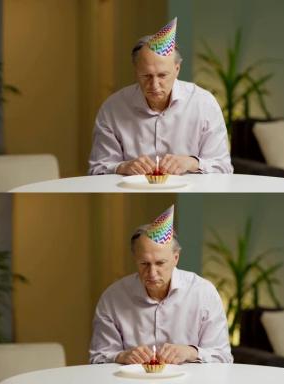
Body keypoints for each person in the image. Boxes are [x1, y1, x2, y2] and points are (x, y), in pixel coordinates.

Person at [89, 205, 233, 364]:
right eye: (144, 263)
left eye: (160, 263)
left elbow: (224, 359)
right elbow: (97, 359)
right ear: (135, 259)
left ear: (176, 258)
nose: (152, 273)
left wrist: (191, 352)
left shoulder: (203, 293)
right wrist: (120, 356)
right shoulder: (113, 297)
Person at [88, 18, 232, 175]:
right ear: (136, 71)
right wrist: (122, 167)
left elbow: (223, 169)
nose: (154, 85)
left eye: (162, 75)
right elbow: (97, 170)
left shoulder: (204, 104)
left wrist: (192, 162)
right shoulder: (113, 108)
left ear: (177, 69)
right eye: (146, 76)